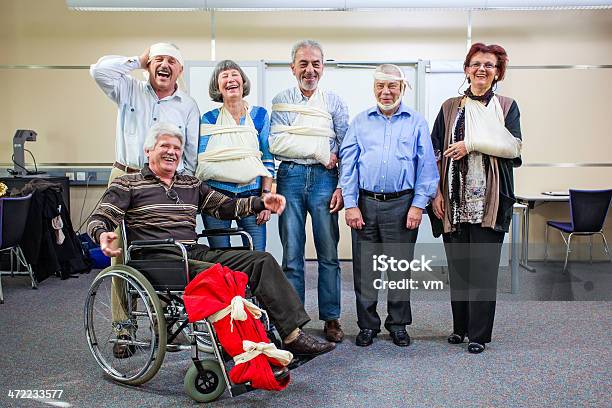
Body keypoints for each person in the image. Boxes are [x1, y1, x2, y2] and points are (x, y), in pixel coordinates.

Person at [87, 122, 336, 360]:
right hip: (157, 258)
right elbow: (100, 216)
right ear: (148, 150)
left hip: (193, 253)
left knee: (262, 261)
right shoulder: (128, 184)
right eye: (165, 146)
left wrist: (261, 202)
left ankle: (292, 336)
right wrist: (103, 234)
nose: (171, 152)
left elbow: (226, 207)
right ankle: (241, 342)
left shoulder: (190, 183)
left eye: (176, 148)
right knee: (221, 276)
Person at [91, 42, 200, 334]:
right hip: (125, 175)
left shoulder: (188, 106)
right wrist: (137, 60)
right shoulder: (129, 89)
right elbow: (98, 70)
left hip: (165, 184)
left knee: (162, 248)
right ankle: (123, 326)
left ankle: (165, 317)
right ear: (149, 65)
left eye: (171, 61)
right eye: (158, 60)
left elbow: (189, 155)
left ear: (180, 70)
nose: (164, 66)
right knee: (120, 252)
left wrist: (179, 194)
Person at [430, 43, 522, 354]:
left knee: (482, 270)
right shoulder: (449, 107)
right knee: (459, 270)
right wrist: (436, 193)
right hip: (454, 203)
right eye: (476, 63)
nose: (482, 69)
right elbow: (433, 153)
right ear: (467, 69)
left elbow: (513, 148)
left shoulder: (507, 107)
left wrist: (471, 144)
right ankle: (460, 328)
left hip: (489, 202)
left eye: (490, 65)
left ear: (498, 73)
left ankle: (479, 334)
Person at [340, 64, 439, 347]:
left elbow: (427, 168)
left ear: (402, 88)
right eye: (380, 87)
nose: (386, 92)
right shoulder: (360, 122)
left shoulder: (416, 122)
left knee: (399, 270)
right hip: (365, 204)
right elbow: (348, 165)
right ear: (374, 89)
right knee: (365, 269)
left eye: (391, 86)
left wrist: (419, 205)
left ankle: (398, 324)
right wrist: (351, 204)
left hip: (403, 204)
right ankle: (368, 325)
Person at [269, 39, 349, 343]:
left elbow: (346, 146)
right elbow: (277, 144)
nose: (310, 69)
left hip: (325, 178)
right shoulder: (282, 100)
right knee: (292, 254)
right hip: (289, 176)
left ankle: (331, 317)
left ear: (323, 67)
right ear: (293, 68)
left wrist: (342, 185)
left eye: (315, 63)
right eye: (303, 63)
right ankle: (295, 320)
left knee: (328, 252)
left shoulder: (334, 103)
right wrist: (319, 150)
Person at [196, 60, 274, 252]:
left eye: (234, 74)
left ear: (243, 81)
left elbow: (267, 160)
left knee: (257, 255)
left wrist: (266, 198)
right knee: (221, 257)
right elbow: (202, 162)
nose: (230, 79)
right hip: (217, 196)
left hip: (252, 196)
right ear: (217, 86)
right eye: (224, 76)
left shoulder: (259, 116)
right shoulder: (209, 119)